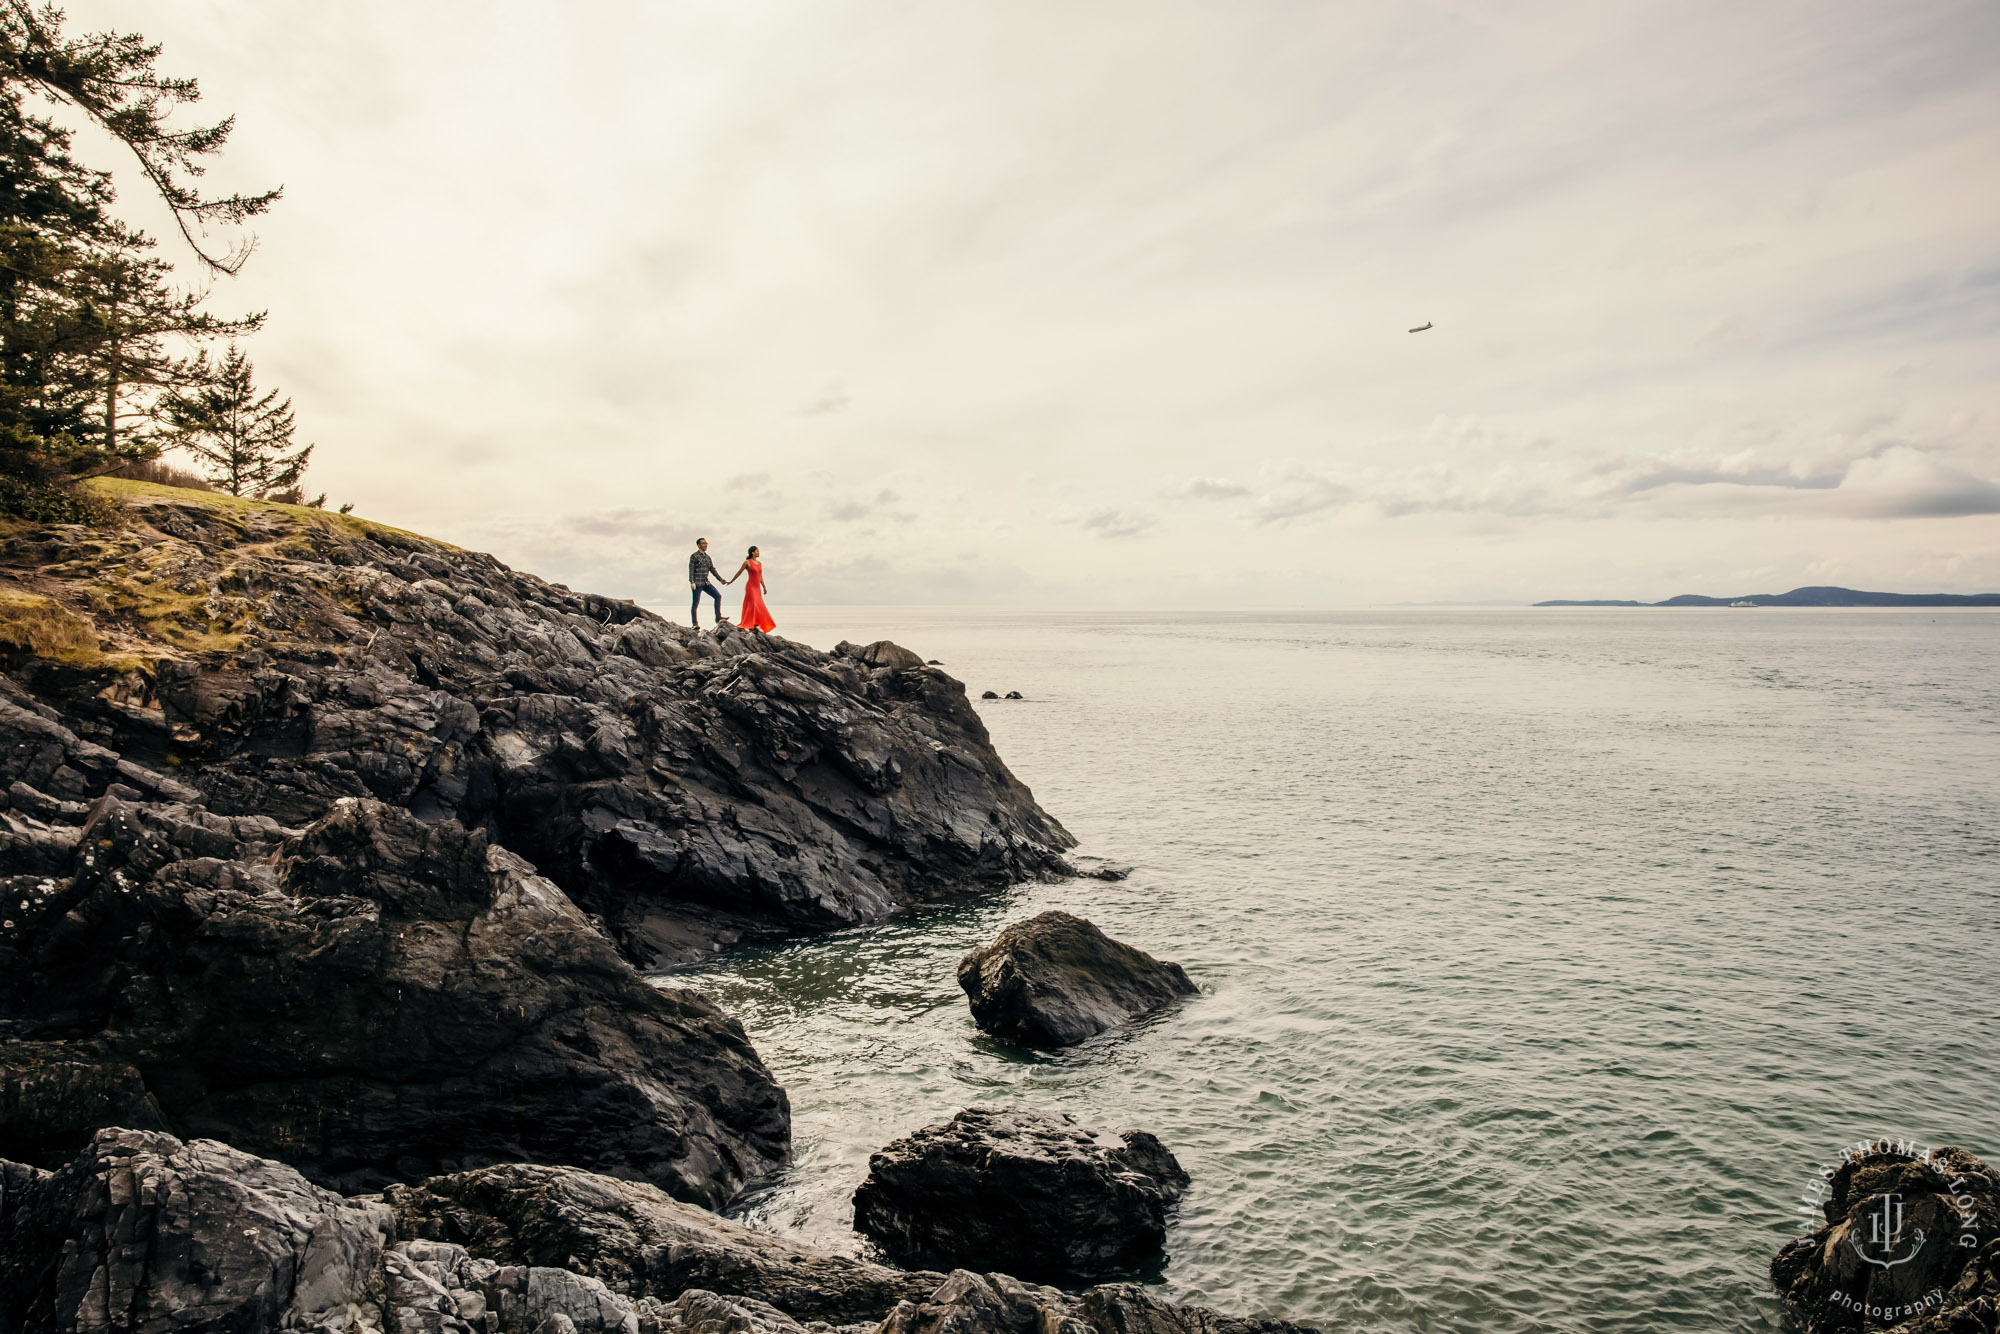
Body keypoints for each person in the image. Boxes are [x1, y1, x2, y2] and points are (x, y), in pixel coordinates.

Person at [722, 544, 776, 632]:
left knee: (759, 605)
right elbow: (739, 572)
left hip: (757, 587)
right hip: (750, 587)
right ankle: (751, 624)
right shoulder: (747, 562)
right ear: (753, 552)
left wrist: (764, 587)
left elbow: (760, 576)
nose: (759, 553)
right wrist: (731, 581)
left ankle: (756, 623)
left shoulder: (759, 564)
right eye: (757, 551)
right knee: (753, 604)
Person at [688, 538, 727, 630]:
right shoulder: (694, 556)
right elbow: (691, 570)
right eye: (703, 543)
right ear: (698, 545)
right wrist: (692, 582)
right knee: (695, 604)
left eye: (706, 543)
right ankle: (695, 624)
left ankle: (718, 617)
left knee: (718, 596)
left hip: (706, 583)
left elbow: (712, 569)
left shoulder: (708, 557)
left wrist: (720, 579)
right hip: (697, 583)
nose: (706, 545)